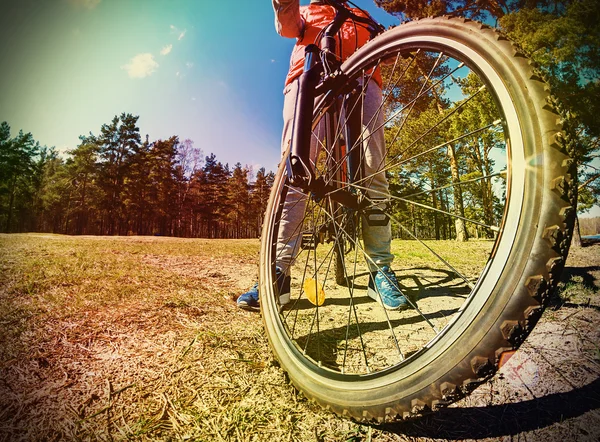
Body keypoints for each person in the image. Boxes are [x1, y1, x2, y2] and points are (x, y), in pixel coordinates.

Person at [237, 0, 410, 311]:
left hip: (363, 81)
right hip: (308, 82)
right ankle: (278, 273)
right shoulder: (308, 10)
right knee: (295, 171)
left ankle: (380, 270)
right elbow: (288, 26)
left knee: (374, 168)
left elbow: (386, 44)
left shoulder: (362, 14)